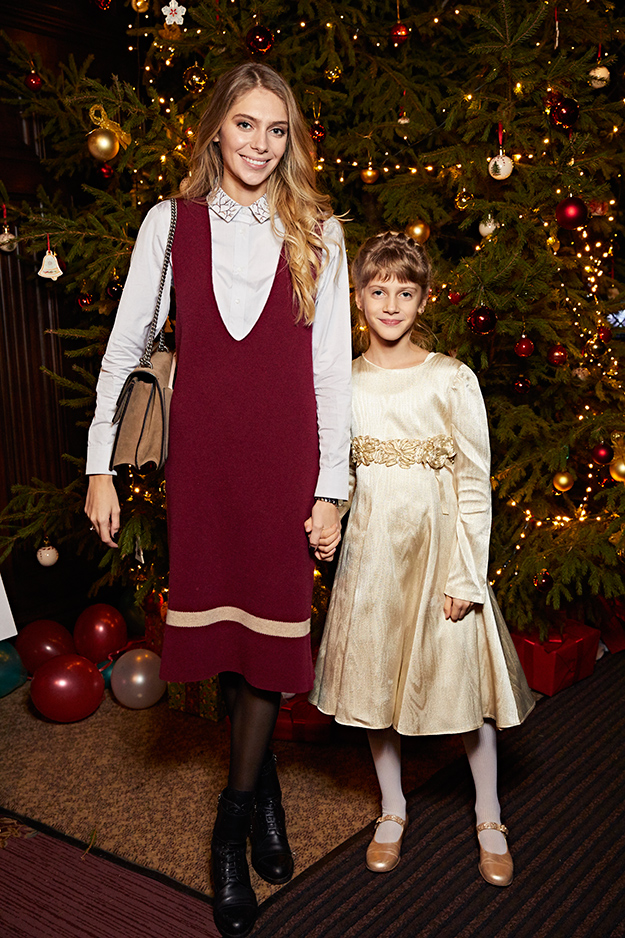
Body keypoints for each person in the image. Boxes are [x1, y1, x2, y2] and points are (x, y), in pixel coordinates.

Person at [85, 63, 351, 938]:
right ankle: (262, 793)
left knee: (269, 646)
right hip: (203, 469)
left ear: (291, 140)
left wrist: (331, 489)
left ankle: (229, 827)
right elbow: (125, 349)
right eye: (245, 125)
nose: (259, 145)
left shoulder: (319, 232)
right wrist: (98, 467)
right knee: (231, 644)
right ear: (215, 129)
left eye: (276, 130)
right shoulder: (169, 225)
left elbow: (330, 374)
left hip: (284, 468)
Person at [310, 231, 535, 888]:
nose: (390, 304)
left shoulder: (450, 378)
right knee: (374, 683)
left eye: (404, 292)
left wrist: (466, 573)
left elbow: (473, 482)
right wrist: (330, 517)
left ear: (424, 299)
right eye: (377, 291)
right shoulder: (342, 383)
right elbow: (339, 473)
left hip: (441, 557)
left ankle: (488, 813)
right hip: (372, 558)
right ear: (358, 298)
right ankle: (392, 807)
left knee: (463, 685)